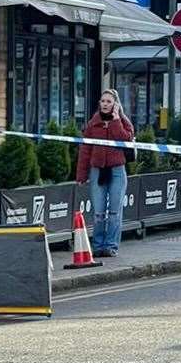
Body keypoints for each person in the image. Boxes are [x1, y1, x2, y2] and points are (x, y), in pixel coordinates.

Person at [76, 89, 135, 258]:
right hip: (97, 171)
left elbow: (125, 140)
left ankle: (111, 246)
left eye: (109, 102)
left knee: (115, 211)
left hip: (117, 171)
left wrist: (116, 120)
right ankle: (98, 246)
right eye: (103, 101)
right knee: (99, 212)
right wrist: (81, 174)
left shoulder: (123, 122)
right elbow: (85, 151)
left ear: (115, 104)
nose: (105, 104)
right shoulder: (92, 123)